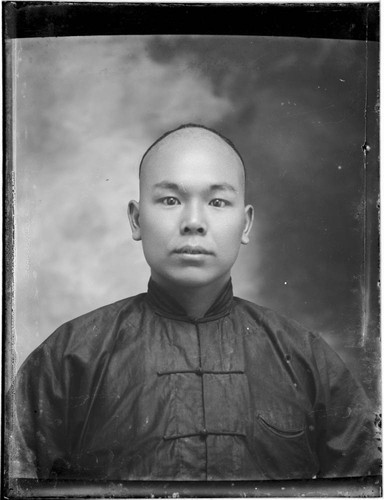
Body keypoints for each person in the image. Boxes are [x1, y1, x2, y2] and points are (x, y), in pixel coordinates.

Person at [7, 124, 380, 481]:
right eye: (170, 200)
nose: (194, 222)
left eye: (218, 201)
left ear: (245, 224)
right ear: (137, 220)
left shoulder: (306, 358)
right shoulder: (69, 357)